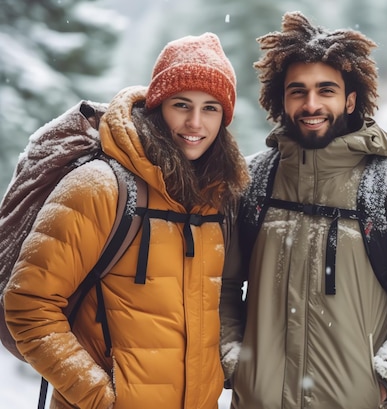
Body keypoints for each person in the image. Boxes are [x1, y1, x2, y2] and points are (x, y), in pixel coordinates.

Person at [219, 11, 387, 409]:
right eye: (298, 91)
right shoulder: (249, 183)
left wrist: (385, 379)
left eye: (325, 90)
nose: (311, 104)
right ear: (282, 100)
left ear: (349, 99)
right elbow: (219, 286)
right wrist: (235, 362)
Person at [3, 33, 249, 409]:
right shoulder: (101, 186)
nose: (195, 122)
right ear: (157, 106)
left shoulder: (217, 201)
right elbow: (27, 304)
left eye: (211, 108)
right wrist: (100, 397)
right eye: (181, 104)